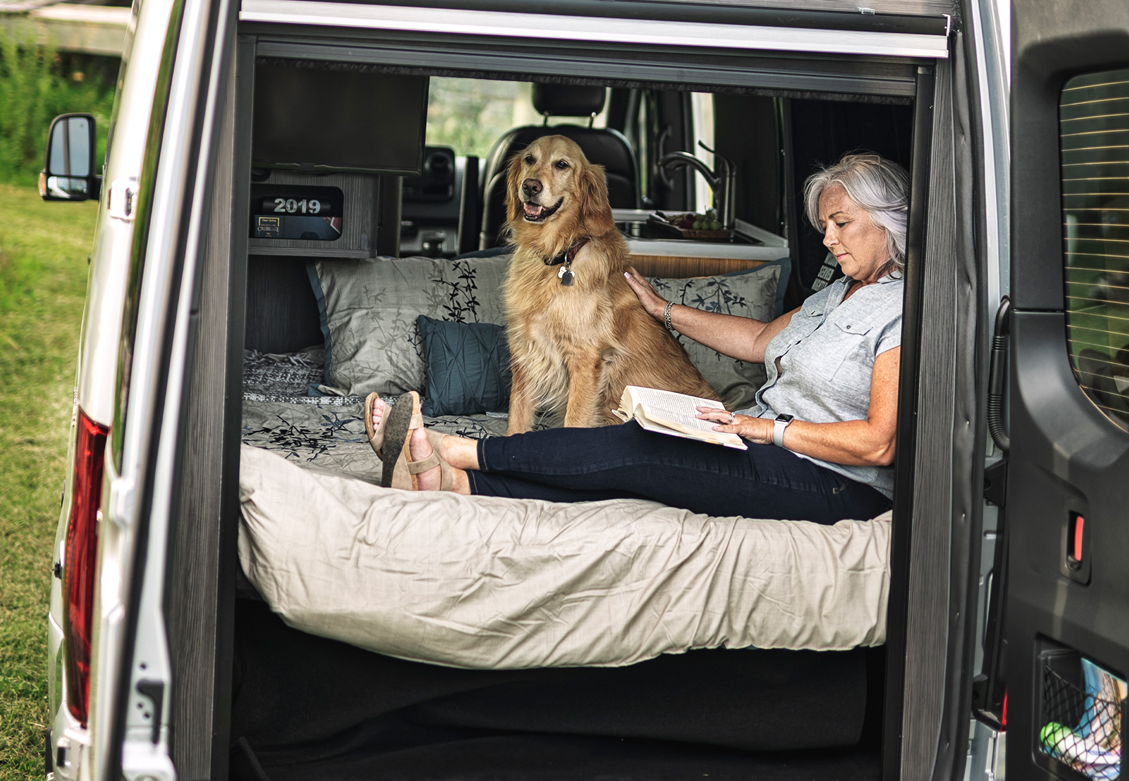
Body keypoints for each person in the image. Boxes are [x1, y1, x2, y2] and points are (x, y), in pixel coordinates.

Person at [367, 151, 907, 524]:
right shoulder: (837, 292)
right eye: (824, 227)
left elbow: (879, 443)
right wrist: (665, 309)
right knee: (639, 459)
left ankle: (453, 449)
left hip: (832, 483)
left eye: (841, 223)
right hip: (762, 447)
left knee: (641, 448)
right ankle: (458, 485)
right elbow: (760, 339)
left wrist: (765, 430)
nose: (828, 239)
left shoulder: (904, 311)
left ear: (888, 222)